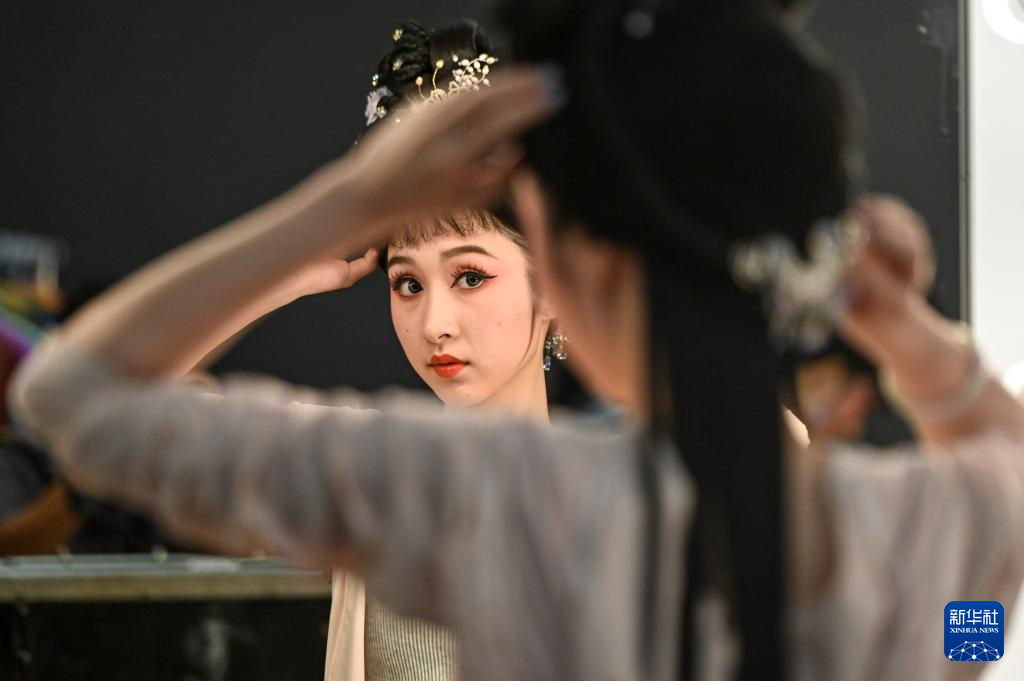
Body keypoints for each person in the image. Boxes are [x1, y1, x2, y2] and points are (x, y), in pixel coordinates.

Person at [9, 2, 1024, 681]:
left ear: (563, 276)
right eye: (406, 282)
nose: (437, 321)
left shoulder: (454, 496)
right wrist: (892, 318)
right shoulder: (876, 526)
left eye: (472, 274)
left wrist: (340, 208)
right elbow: (992, 538)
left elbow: (72, 395)